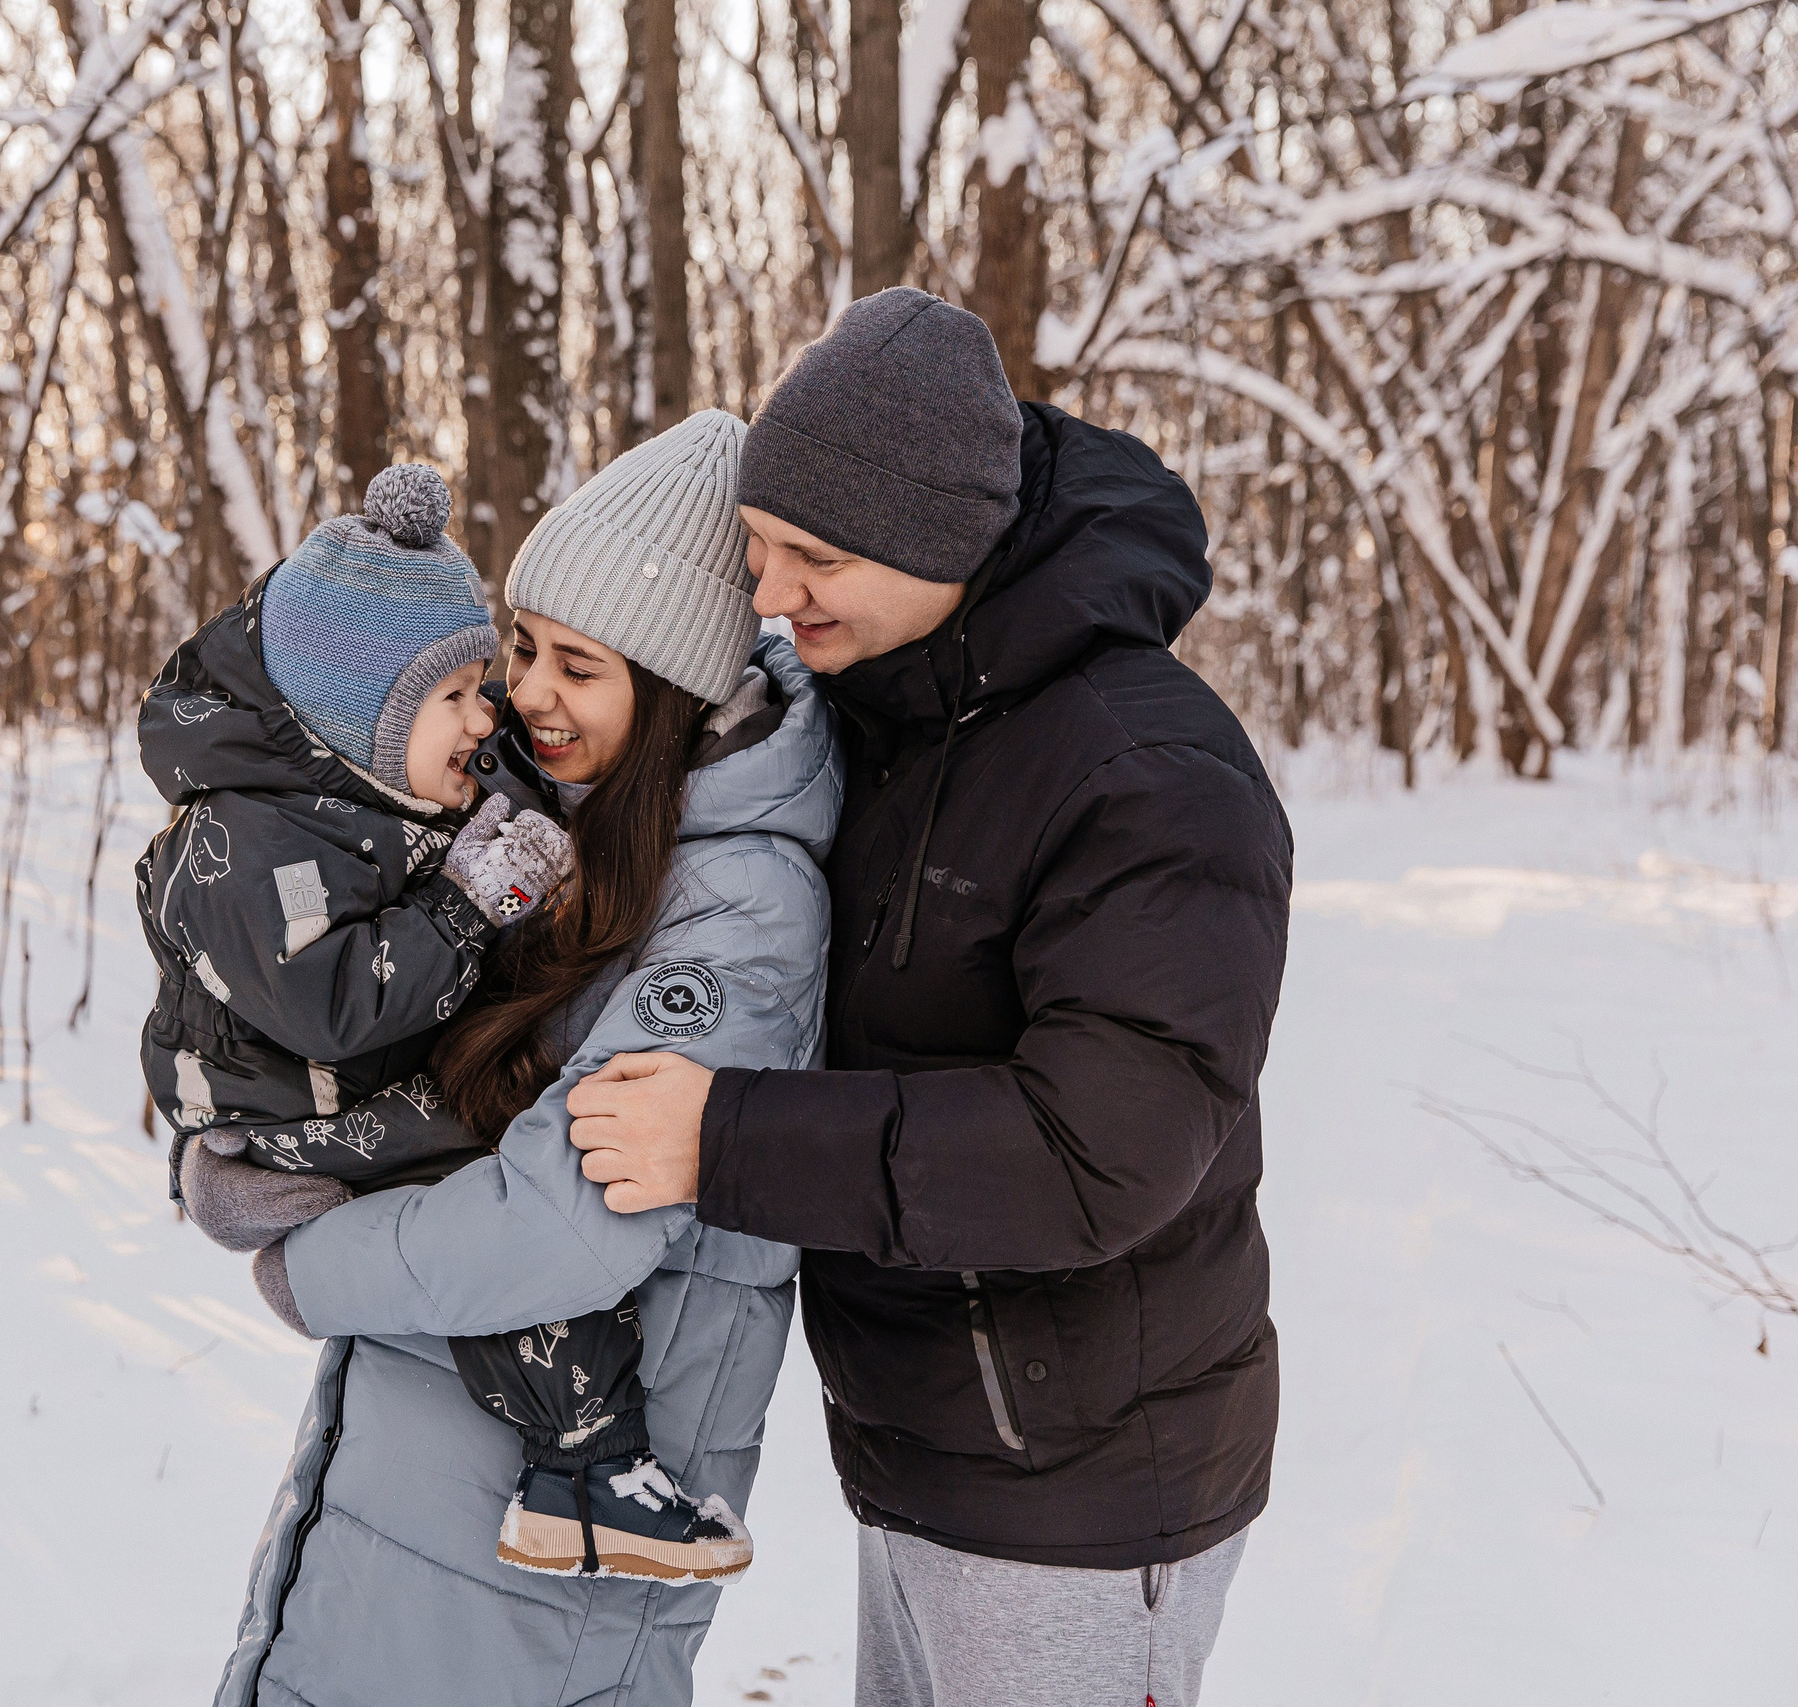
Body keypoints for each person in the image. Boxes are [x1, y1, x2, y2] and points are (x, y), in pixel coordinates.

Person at [566, 289, 1294, 1707]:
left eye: (816, 556)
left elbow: (1099, 1151)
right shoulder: (886, 710)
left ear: (942, 538)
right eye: (758, 547)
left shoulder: (1149, 776)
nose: (770, 594)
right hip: (925, 1446)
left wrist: (724, 1139)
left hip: (1084, 1490)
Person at [183, 409, 842, 1707]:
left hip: (548, 1552)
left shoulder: (739, 910)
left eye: (577, 666)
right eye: (522, 648)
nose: (526, 693)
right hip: (430, 1478)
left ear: (676, 687)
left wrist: (310, 1261)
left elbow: (566, 1223)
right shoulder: (549, 833)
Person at [137, 462, 744, 1589]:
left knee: (491, 1180)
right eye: (465, 690)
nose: (495, 711)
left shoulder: (376, 794)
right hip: (309, 1110)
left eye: (485, 682)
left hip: (364, 1089)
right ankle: (587, 1459)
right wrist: (468, 903)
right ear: (359, 721)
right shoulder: (249, 843)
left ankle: (586, 1468)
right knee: (485, 1193)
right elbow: (329, 1007)